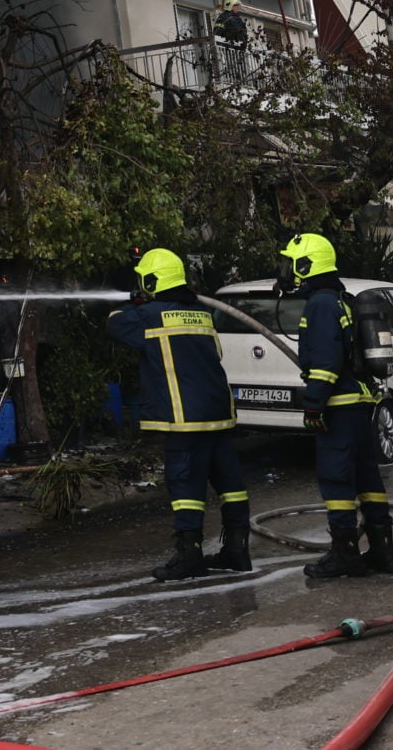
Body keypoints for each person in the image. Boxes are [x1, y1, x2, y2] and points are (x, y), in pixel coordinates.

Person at [108, 247, 253, 580]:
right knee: (229, 484)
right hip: (219, 413)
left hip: (185, 418)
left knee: (185, 483)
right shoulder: (200, 313)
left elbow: (114, 323)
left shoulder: (148, 315)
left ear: (150, 280)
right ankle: (237, 550)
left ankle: (189, 555)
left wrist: (137, 301)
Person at [281, 231, 393, 579]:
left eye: (290, 263)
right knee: (367, 477)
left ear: (305, 265)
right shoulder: (340, 299)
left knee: (336, 480)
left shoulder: (319, 304)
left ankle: (345, 554)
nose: (286, 269)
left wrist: (313, 405)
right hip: (359, 403)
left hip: (339, 405)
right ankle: (383, 552)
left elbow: (326, 362)